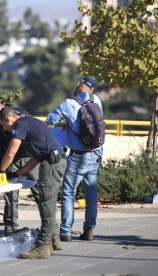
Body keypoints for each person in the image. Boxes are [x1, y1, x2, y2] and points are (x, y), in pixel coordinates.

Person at [0, 106, 66, 259]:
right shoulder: (30, 123)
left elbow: (11, 152)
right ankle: (50, 242)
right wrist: (16, 173)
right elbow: (35, 159)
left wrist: (1, 171)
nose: (4, 129)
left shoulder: (20, 124)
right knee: (44, 202)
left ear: (7, 119)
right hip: (50, 161)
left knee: (47, 203)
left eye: (2, 124)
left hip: (53, 163)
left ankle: (43, 246)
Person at [46, 77, 103, 242]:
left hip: (78, 156)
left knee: (68, 193)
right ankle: (89, 230)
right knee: (91, 194)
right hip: (95, 154)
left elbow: (50, 119)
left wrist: (67, 122)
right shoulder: (97, 100)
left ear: (80, 85)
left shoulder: (69, 104)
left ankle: (65, 231)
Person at [0, 99, 39, 236]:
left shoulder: (19, 115)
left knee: (40, 192)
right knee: (9, 194)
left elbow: (31, 137)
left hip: (29, 158)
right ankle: (10, 228)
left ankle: (49, 230)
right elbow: (0, 148)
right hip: (10, 161)